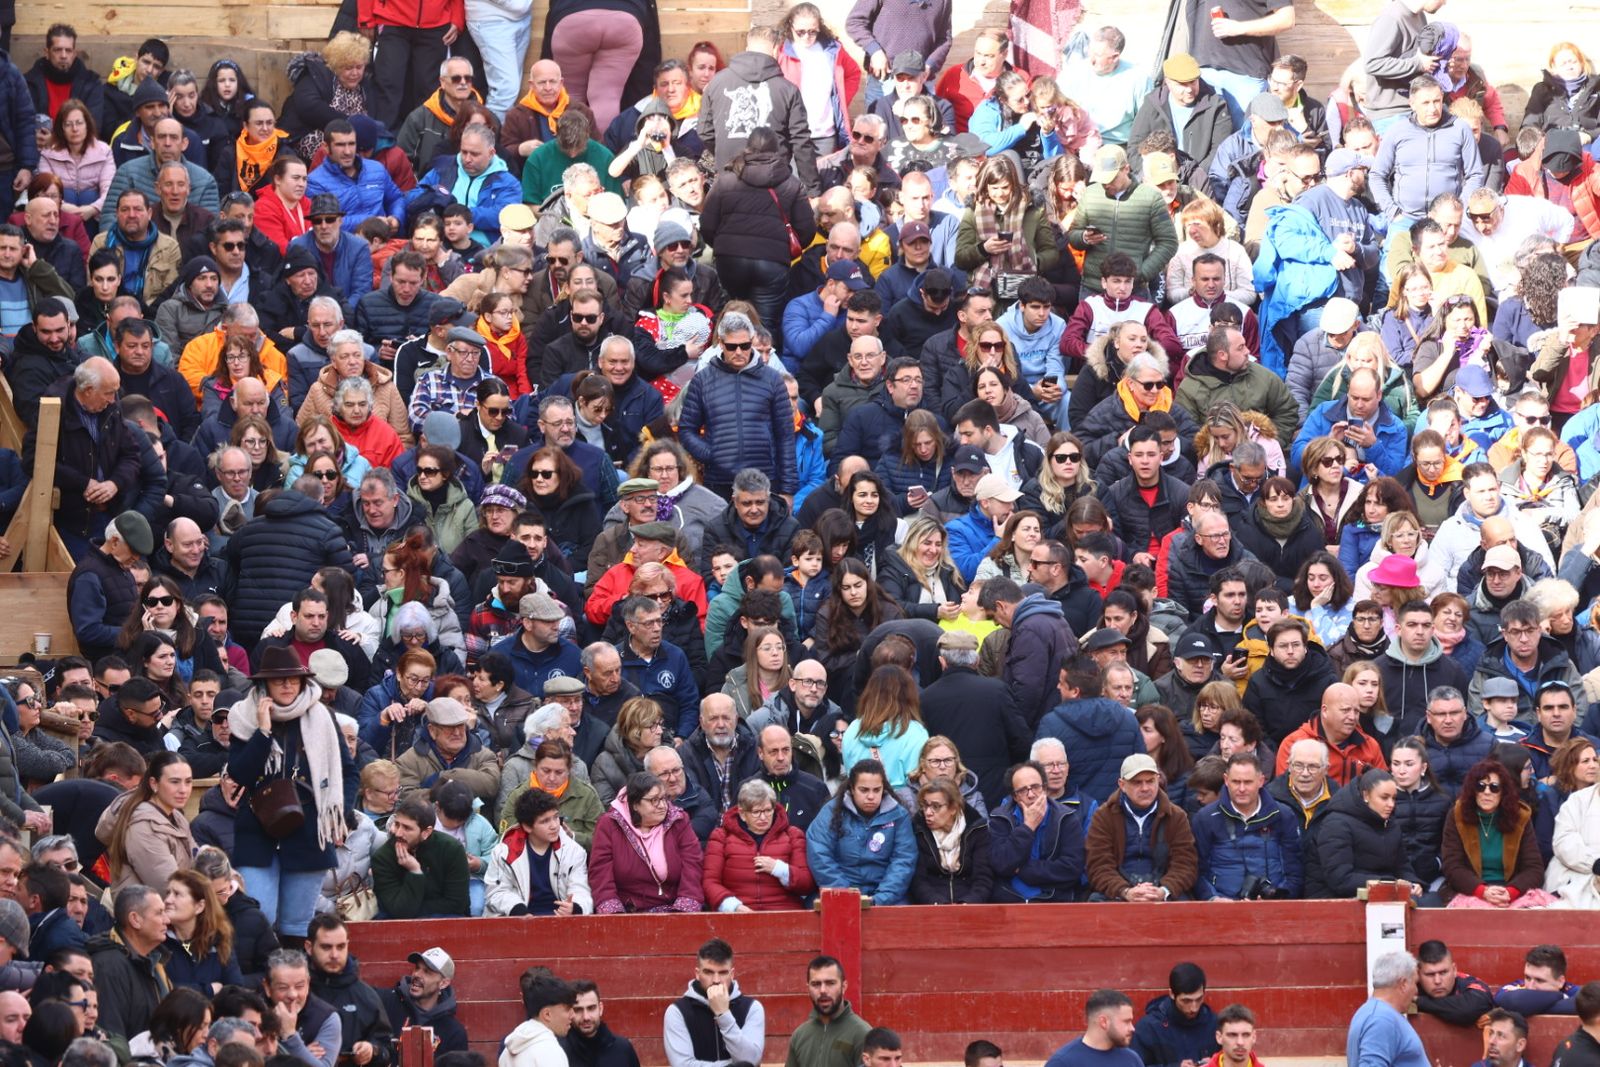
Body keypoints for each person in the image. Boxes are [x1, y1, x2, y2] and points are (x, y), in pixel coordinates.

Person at [225, 644, 354, 938]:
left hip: (309, 830)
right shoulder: (243, 716)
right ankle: (258, 982)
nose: (287, 684)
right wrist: (263, 732)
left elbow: (349, 771)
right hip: (258, 827)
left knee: (296, 925)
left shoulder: (322, 716)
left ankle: (294, 982)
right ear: (264, 683)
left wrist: (338, 817)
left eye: (293, 678)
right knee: (258, 918)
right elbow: (239, 773)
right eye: (279, 679)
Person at [1086, 753, 1199, 903]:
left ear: (1158, 780)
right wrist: (1125, 891)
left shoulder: (1176, 816)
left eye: (1150, 781)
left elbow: (1185, 864)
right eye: (1137, 782)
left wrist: (1163, 891)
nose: (1145, 788)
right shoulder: (1103, 816)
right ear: (1122, 785)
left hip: (1163, 893)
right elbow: (1099, 866)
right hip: (1118, 893)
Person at [590, 770, 705, 913]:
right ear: (635, 805)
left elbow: (692, 866)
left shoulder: (679, 821)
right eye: (654, 800)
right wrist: (614, 915)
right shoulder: (609, 824)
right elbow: (600, 874)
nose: (663, 806)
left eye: (664, 798)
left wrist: (683, 910)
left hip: (673, 908)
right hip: (628, 912)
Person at [1191, 753, 1303, 899]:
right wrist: (1213, 899)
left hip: (1273, 908)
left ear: (1261, 781)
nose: (1242, 789)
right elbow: (1197, 872)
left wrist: (1277, 899)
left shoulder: (1283, 816)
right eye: (1236, 782)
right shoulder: (1205, 818)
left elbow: (1295, 872)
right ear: (1226, 780)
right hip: (1221, 909)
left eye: (1248, 782)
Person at [806, 759, 915, 904]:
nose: (871, 796)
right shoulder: (831, 812)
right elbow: (819, 854)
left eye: (877, 790)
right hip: (838, 894)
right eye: (864, 790)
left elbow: (903, 861)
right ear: (851, 788)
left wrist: (880, 899)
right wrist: (846, 895)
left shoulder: (899, 815)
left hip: (887, 898)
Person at [702, 778, 814, 911]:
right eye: (756, 812)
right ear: (742, 814)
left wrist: (778, 868)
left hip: (784, 912)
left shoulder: (793, 835)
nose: (763, 818)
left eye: (768, 810)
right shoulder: (721, 837)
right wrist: (733, 907)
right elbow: (710, 882)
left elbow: (806, 883)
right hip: (738, 913)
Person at [94, 751, 195, 894]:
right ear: (154, 783)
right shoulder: (143, 826)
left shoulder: (176, 817)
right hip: (148, 912)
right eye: (175, 782)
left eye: (188, 782)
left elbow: (197, 861)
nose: (183, 790)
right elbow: (169, 888)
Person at [379, 946, 469, 1054]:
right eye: (417, 968)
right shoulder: (386, 1002)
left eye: (427, 972)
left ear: (443, 983)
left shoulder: (454, 1032)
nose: (417, 974)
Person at [1347, 952, 1428, 1067]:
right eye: (1415, 983)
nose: (1416, 991)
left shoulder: (1372, 1012)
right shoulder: (1381, 1019)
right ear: (1403, 984)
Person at [786, 957, 870, 1067]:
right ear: (808, 988)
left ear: (843, 986)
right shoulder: (800, 1035)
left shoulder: (862, 1034)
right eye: (816, 984)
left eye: (830, 983)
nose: (823, 990)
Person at [1043, 989, 1142, 1067]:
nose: (1132, 1028)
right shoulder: (1063, 1063)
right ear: (1103, 1022)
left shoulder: (1132, 1059)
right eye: (1126, 1022)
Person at [1414, 940, 1496, 1026]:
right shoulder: (1411, 986)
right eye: (1430, 974)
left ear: (1454, 970)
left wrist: (1418, 1002)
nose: (1437, 981)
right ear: (1418, 973)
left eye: (1443, 973)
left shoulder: (1470, 984)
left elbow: (1467, 1010)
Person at [502, 976, 578, 1067]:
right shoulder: (551, 1052)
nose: (573, 1015)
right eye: (567, 1009)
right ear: (547, 1014)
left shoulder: (506, 1053)